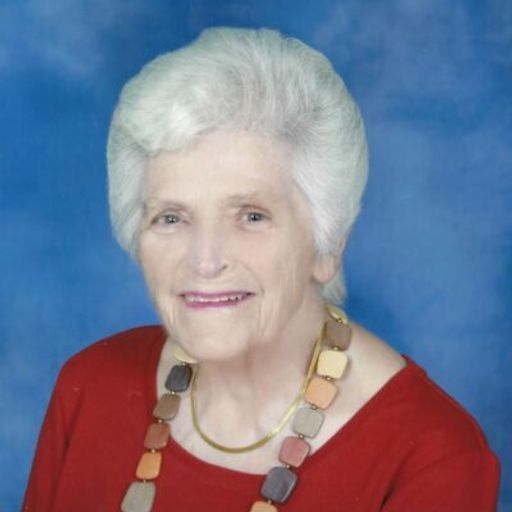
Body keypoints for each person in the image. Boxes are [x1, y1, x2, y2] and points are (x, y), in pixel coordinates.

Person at [23, 27, 500, 512]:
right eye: (171, 217)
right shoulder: (90, 387)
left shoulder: (432, 457)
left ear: (326, 245)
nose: (205, 261)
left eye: (251, 216)